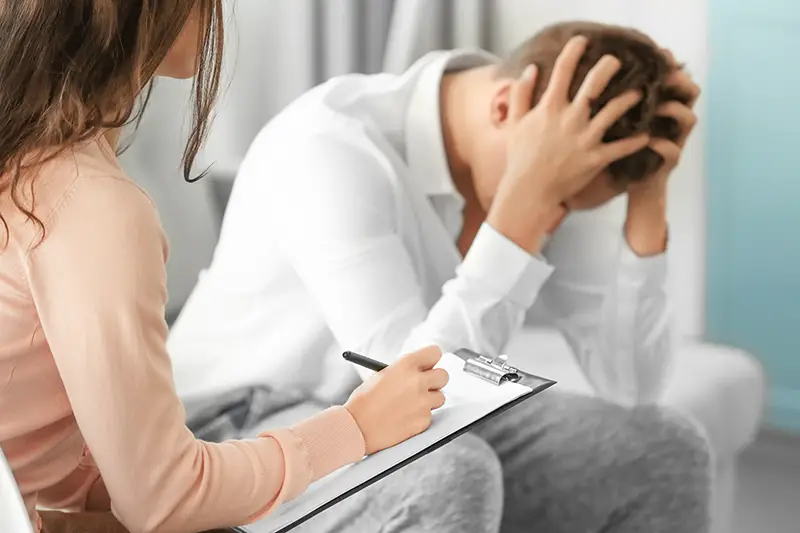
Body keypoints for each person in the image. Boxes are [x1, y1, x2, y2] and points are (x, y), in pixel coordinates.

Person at [169, 21, 712, 533]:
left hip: (386, 411)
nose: (556, 217)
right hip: (237, 421)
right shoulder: (328, 147)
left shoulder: (554, 154)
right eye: (561, 200)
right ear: (505, 106)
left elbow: (632, 384)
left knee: (664, 446)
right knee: (452, 470)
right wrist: (526, 205)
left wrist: (648, 199)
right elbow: (411, 386)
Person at [0, 3, 503, 533]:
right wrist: (355, 427)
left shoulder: (39, 166)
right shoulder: (88, 206)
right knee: (455, 471)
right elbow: (166, 500)